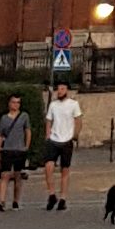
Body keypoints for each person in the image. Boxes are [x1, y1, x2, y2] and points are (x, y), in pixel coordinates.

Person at [43, 81, 82, 211]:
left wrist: (75, 135)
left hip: (67, 140)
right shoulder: (53, 105)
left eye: (62, 88)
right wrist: (48, 135)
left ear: (67, 90)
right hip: (54, 139)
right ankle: (52, 194)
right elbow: (49, 120)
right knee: (48, 166)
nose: (59, 91)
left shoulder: (73, 104)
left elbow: (78, 121)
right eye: (58, 89)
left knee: (65, 170)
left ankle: (63, 198)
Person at [0, 93, 31, 211]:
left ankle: (16, 200)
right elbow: (1, 136)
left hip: (19, 149)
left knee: (17, 175)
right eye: (13, 102)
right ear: (9, 103)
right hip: (7, 149)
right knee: (4, 175)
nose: (16, 104)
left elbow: (28, 131)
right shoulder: (4, 118)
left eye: (18, 102)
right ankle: (2, 201)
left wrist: (26, 146)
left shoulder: (24, 116)